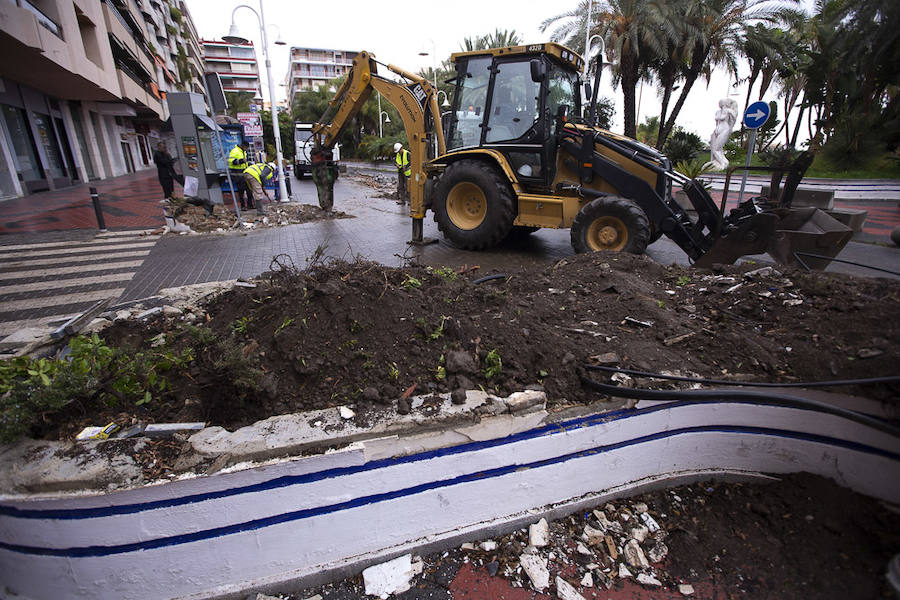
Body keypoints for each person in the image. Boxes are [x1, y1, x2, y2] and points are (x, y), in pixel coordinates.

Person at [228, 141, 251, 209]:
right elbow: (231, 161)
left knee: (249, 189)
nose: (247, 150)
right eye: (247, 148)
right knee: (241, 191)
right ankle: (243, 206)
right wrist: (240, 161)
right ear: (243, 146)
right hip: (237, 174)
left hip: (244, 172)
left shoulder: (243, 151)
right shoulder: (235, 151)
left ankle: (250, 204)